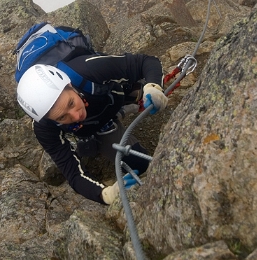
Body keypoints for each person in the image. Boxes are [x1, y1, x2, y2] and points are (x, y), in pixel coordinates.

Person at [16, 52, 168, 205]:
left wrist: (153, 86)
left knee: (139, 86)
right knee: (140, 162)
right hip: (96, 127)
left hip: (110, 95)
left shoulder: (87, 69)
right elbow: (73, 173)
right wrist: (105, 194)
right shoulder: (44, 127)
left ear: (69, 85)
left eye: (70, 103)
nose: (76, 116)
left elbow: (146, 61)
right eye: (62, 117)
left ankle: (131, 97)